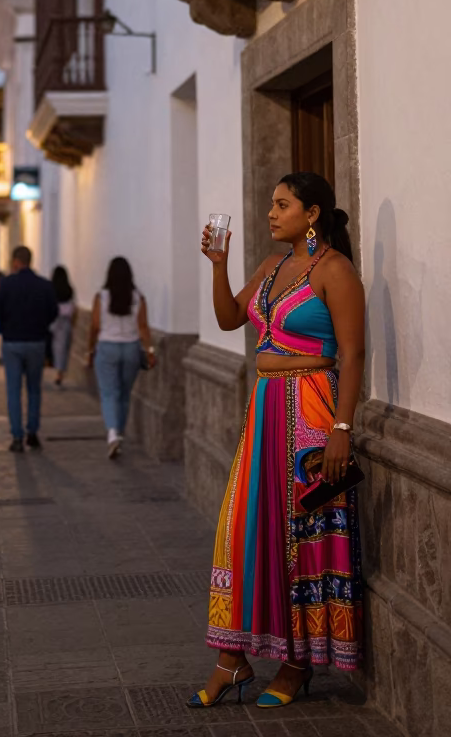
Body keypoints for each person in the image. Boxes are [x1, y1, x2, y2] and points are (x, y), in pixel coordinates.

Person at [188, 172, 365, 712]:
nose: (270, 212)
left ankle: (298, 662)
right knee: (245, 531)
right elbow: (226, 319)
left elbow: (352, 355)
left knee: (303, 538)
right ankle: (232, 658)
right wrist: (219, 267)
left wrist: (341, 429)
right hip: (264, 412)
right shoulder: (272, 268)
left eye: (282, 204)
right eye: (272, 203)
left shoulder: (334, 270)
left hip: (311, 415)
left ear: (311, 214)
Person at [87, 256, 156, 459]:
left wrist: (90, 350)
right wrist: (150, 351)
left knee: (109, 393)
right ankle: (120, 433)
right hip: (131, 349)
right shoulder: (138, 297)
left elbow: (95, 326)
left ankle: (112, 433)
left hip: (107, 348)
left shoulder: (101, 297)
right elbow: (143, 327)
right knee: (124, 394)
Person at [0, 246, 58, 452]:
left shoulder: (7, 284)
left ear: (15, 261)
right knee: (34, 389)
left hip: (12, 342)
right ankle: (32, 432)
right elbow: (53, 312)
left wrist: (6, 324)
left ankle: (16, 436)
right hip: (37, 341)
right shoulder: (44, 285)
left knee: (13, 390)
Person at [50, 265, 76, 386]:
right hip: (65, 320)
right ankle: (60, 373)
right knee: (63, 348)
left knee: (53, 346)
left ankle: (50, 364)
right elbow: (73, 307)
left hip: (53, 319)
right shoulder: (69, 290)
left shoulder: (50, 289)